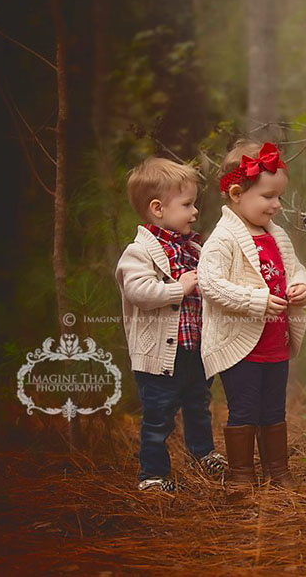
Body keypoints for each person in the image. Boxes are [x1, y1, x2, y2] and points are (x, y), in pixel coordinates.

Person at [198, 141, 306, 491]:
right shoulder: (223, 239)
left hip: (275, 344)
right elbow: (209, 283)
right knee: (244, 410)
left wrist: (302, 288)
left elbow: (296, 271)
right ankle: (241, 476)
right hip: (241, 348)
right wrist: (255, 300)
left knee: (274, 411)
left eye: (279, 196)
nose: (276, 205)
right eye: (268, 196)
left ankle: (278, 471)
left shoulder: (277, 236)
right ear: (236, 193)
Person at [115, 157, 227, 492]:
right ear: (157, 208)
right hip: (160, 357)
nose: (194, 212)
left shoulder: (193, 248)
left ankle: (202, 454)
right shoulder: (139, 253)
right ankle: (152, 475)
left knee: (198, 407)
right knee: (157, 417)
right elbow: (138, 291)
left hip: (195, 350)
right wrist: (180, 287)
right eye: (187, 204)